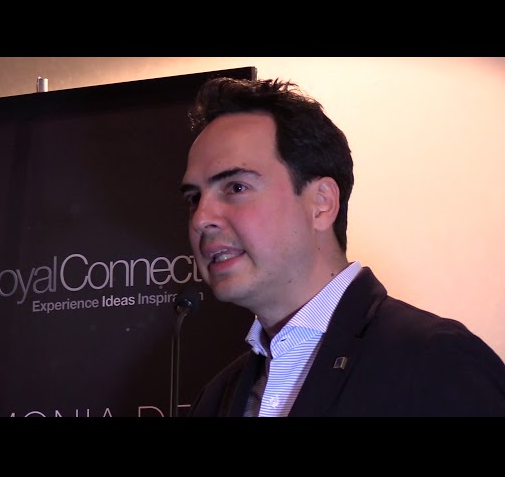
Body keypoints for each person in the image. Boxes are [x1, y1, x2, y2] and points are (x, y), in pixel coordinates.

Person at [178, 76, 505, 417]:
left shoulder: (436, 361)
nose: (201, 218)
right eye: (194, 198)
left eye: (236, 187)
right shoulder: (215, 399)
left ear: (321, 203)